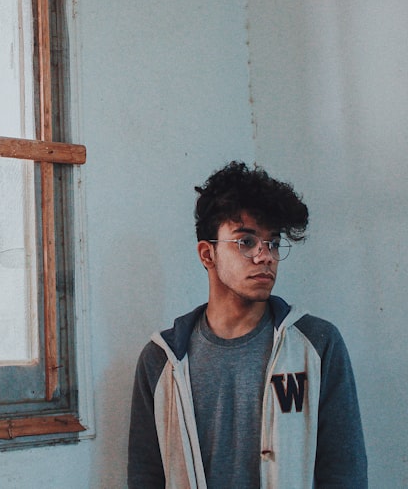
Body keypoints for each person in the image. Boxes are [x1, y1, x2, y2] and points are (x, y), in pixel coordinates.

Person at [127, 161, 367, 488]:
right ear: (207, 254)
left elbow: (344, 471)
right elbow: (145, 476)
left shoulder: (317, 344)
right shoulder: (163, 361)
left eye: (273, 243)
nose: (265, 256)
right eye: (246, 242)